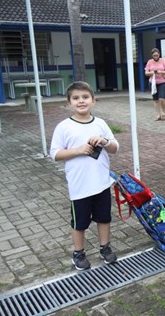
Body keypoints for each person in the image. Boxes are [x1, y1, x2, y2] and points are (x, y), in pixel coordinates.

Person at [50, 81, 119, 271]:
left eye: (85, 97)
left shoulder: (100, 123)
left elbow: (115, 147)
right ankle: (78, 253)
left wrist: (104, 141)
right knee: (79, 222)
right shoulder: (64, 127)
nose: (81, 101)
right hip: (79, 187)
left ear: (94, 101)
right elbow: (55, 154)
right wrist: (78, 150)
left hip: (102, 183)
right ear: (69, 102)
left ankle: (105, 248)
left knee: (104, 218)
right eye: (76, 98)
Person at [145, 48, 165, 121]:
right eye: (154, 55)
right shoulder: (149, 62)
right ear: (152, 56)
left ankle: (163, 112)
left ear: (159, 54)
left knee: (162, 98)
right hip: (153, 83)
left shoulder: (163, 61)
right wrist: (152, 72)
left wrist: (161, 72)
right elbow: (146, 72)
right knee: (155, 99)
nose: (156, 56)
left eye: (157, 55)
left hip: (162, 82)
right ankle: (158, 114)